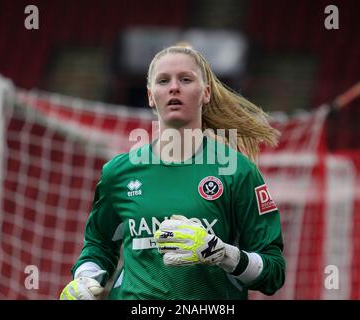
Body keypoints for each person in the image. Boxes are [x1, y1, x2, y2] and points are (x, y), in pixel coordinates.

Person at [60, 45, 285, 300]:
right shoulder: (118, 173)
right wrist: (84, 280)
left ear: (206, 93)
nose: (174, 87)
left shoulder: (238, 171)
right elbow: (98, 246)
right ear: (150, 96)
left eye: (186, 79)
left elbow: (274, 272)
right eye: (163, 80)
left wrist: (224, 254)